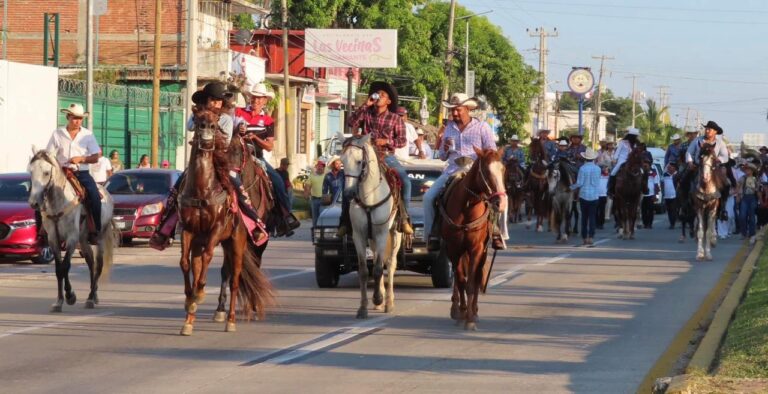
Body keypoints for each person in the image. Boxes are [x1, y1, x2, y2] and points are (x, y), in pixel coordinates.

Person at [150, 82, 269, 250]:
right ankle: (164, 229)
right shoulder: (199, 115)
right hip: (199, 162)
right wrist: (201, 115)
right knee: (178, 187)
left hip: (220, 162)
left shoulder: (226, 119)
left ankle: (254, 224)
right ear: (206, 101)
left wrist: (214, 123)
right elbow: (189, 126)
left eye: (219, 101)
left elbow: (226, 142)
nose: (216, 104)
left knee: (237, 186)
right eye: (212, 100)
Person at [422, 92, 504, 250]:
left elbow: (492, 154)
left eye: (458, 109)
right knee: (428, 197)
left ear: (467, 109)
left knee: (496, 196)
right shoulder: (448, 128)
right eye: (452, 110)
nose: (454, 113)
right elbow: (442, 157)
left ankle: (495, 231)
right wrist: (444, 148)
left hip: (476, 172)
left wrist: (481, 157)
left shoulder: (482, 127)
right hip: (452, 170)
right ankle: (432, 234)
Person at [341, 81, 413, 236]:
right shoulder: (366, 113)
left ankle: (404, 218)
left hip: (385, 156)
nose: (379, 97)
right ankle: (344, 221)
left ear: (388, 101)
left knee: (405, 182)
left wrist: (387, 141)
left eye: (383, 95)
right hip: (366, 155)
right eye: (377, 94)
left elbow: (402, 141)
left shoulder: (395, 119)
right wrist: (365, 105)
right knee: (346, 180)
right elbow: (350, 122)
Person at [234, 82, 298, 237]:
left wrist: (255, 137)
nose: (256, 101)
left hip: (257, 158)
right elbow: (229, 129)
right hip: (236, 156)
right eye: (254, 97)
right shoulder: (237, 112)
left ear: (265, 101)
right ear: (250, 98)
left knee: (278, 181)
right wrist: (238, 129)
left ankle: (285, 216)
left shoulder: (268, 120)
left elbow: (269, 146)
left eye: (259, 98)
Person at [40, 103, 102, 244]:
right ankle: (42, 231)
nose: (77, 121)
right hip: (61, 173)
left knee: (95, 197)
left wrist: (81, 159)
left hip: (81, 173)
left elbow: (96, 156)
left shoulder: (88, 135)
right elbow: (49, 154)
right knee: (39, 195)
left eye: (80, 118)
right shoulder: (57, 133)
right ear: (68, 117)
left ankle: (95, 230)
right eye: (74, 118)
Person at [570, 148, 601, 245]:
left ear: (585, 159)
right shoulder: (598, 169)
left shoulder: (582, 168)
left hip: (584, 195)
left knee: (584, 217)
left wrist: (570, 187)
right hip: (595, 196)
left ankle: (584, 238)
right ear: (593, 159)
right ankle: (591, 237)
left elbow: (579, 183)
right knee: (592, 217)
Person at [607, 127, 641, 196]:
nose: (636, 137)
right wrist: (615, 159)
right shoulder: (622, 142)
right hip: (622, 160)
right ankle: (611, 189)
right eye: (635, 136)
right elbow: (618, 151)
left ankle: (642, 188)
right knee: (613, 172)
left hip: (632, 161)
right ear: (631, 136)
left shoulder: (636, 144)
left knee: (641, 171)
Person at [737, 163, 760, 245]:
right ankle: (743, 233)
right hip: (744, 198)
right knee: (742, 216)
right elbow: (738, 186)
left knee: (752, 216)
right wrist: (738, 196)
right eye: (746, 169)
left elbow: (758, 190)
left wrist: (754, 187)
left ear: (752, 171)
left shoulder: (755, 179)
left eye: (749, 169)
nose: (747, 170)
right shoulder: (742, 178)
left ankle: (752, 234)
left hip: (752, 198)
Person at [304, 160, 326, 231]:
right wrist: (306, 194)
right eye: (319, 166)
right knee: (315, 217)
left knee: (324, 217)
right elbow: (307, 186)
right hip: (315, 199)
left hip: (324, 200)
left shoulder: (326, 176)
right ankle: (316, 232)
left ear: (323, 168)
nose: (320, 168)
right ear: (316, 167)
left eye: (322, 167)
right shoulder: (312, 176)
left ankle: (324, 232)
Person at [641, 157, 660, 229]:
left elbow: (656, 185)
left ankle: (650, 223)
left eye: (646, 165)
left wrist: (656, 196)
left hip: (651, 195)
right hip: (643, 195)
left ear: (649, 165)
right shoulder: (641, 173)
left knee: (650, 210)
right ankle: (645, 223)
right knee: (643, 211)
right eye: (644, 164)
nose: (645, 166)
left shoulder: (653, 173)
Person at [662, 163, 678, 229]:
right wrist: (663, 192)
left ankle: (673, 223)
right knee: (669, 210)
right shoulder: (665, 175)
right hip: (667, 196)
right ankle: (671, 222)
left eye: (670, 167)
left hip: (674, 196)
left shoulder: (677, 175)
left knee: (673, 209)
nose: (668, 169)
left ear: (674, 168)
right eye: (668, 168)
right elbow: (662, 183)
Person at [596, 165, 609, 230]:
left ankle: (601, 224)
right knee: (596, 210)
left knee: (602, 210)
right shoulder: (596, 176)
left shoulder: (607, 176)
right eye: (604, 169)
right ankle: (596, 223)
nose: (606, 170)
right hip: (596, 195)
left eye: (606, 169)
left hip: (604, 195)